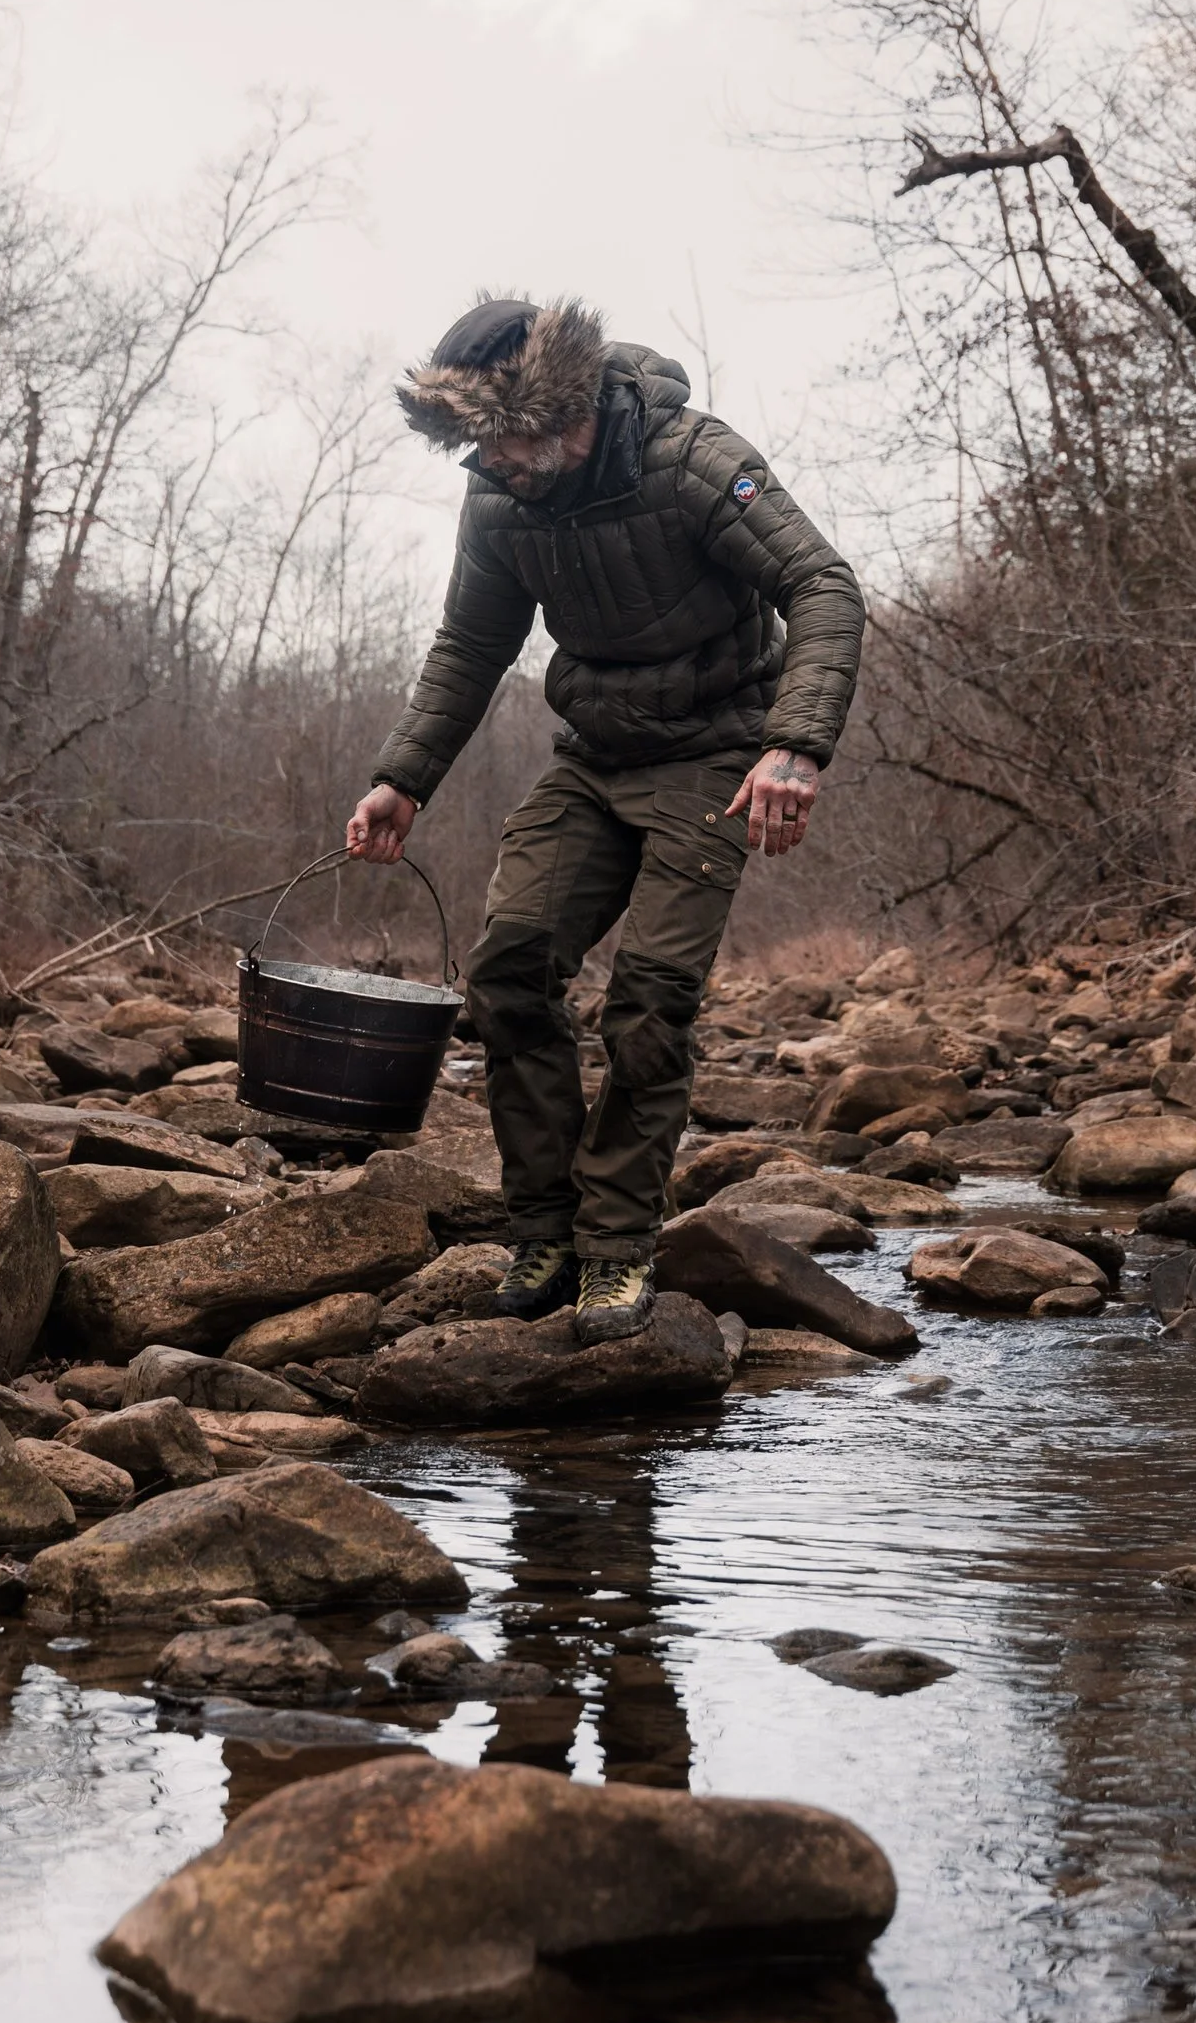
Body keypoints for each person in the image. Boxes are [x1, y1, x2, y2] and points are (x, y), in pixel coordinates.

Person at [345, 296, 865, 1343]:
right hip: (592, 758)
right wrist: (402, 777)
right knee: (509, 970)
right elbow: (468, 647)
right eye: (474, 443)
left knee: (648, 1002)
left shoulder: (695, 462)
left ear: (565, 409)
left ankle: (617, 1247)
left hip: (717, 751)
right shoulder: (500, 499)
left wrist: (793, 746)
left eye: (504, 437)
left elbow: (822, 585)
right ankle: (544, 1231)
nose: (492, 462)